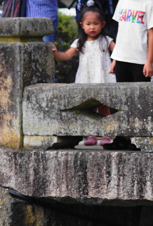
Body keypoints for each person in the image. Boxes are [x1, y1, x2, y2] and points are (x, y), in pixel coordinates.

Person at [53, 5, 115, 145]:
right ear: (82, 25)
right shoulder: (80, 43)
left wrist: (114, 63)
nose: (92, 27)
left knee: (104, 106)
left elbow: (118, 52)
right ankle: (91, 135)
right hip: (87, 79)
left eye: (95, 24)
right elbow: (67, 55)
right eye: (88, 24)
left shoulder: (106, 40)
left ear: (103, 24)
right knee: (90, 108)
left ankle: (107, 134)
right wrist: (56, 53)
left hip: (102, 78)